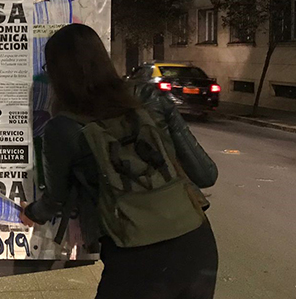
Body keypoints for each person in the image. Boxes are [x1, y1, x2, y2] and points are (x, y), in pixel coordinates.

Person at [21, 24, 219, 299]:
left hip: (135, 254)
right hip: (196, 245)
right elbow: (206, 174)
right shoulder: (149, 97)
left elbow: (55, 200)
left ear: (57, 73)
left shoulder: (63, 128)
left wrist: (30, 213)